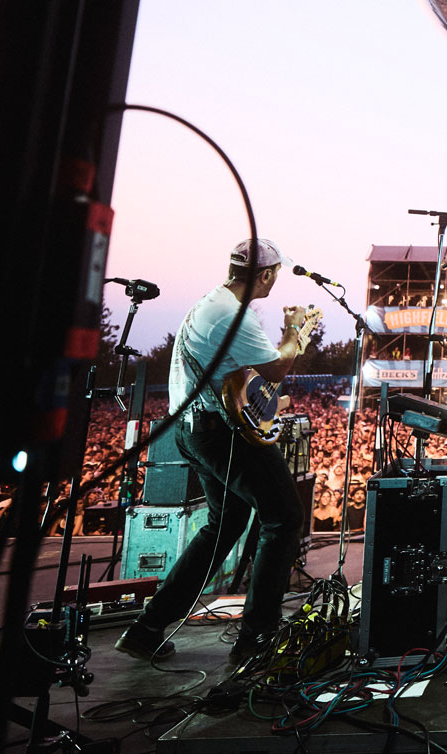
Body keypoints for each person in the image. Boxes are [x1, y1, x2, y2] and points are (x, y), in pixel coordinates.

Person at [115, 239, 312, 663]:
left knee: (226, 524)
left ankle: (147, 628)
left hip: (194, 429)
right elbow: (277, 367)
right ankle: (256, 639)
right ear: (265, 275)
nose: (275, 282)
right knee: (284, 518)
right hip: (220, 432)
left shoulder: (213, 303)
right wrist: (295, 330)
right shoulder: (233, 316)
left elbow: (246, 380)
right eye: (275, 275)